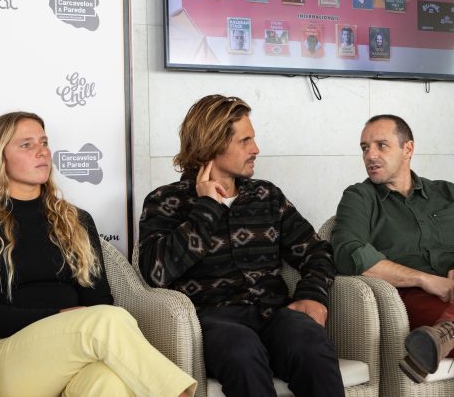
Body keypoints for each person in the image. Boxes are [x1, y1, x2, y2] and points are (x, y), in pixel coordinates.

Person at [0, 112, 196, 397]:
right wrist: (58, 316)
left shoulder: (76, 220)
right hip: (5, 360)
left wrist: (73, 322)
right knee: (108, 321)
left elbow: (98, 300)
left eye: (44, 142)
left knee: (109, 383)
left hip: (74, 356)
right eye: (26, 145)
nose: (42, 151)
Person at [139, 95, 345, 397]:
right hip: (215, 322)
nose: (256, 149)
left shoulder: (267, 196)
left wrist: (313, 295)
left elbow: (316, 250)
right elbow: (155, 273)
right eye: (245, 141)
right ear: (212, 144)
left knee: (311, 344)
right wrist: (207, 207)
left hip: (275, 315)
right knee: (243, 354)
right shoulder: (166, 202)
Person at [331, 114, 454, 397]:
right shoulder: (360, 197)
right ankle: (449, 329)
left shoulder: (447, 194)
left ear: (408, 149)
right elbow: (348, 252)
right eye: (365, 147)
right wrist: (425, 280)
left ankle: (446, 332)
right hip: (413, 302)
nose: (370, 155)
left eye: (381, 145)